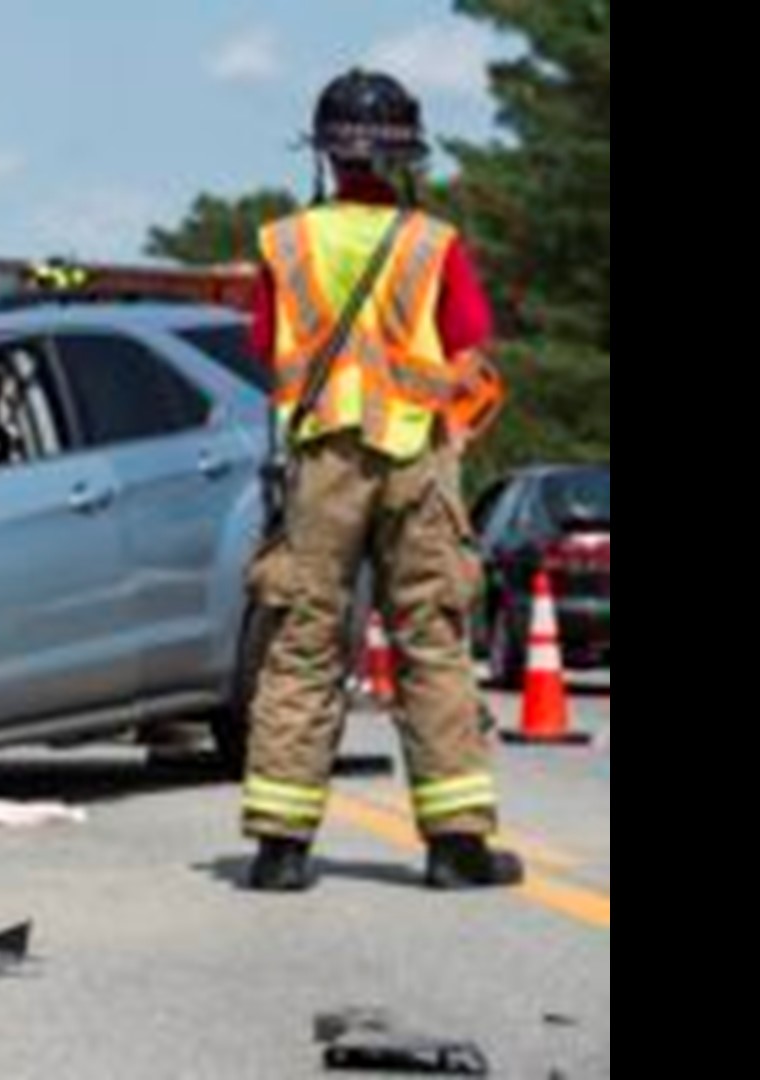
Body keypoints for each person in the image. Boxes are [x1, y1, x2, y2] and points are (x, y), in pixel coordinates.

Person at [241, 69, 523, 893]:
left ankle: (281, 848)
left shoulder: (284, 242)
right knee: (431, 640)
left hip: (325, 460)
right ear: (406, 158)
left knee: (302, 643)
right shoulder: (432, 243)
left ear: (325, 155)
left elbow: (265, 345)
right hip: (415, 460)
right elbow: (469, 345)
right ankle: (456, 845)